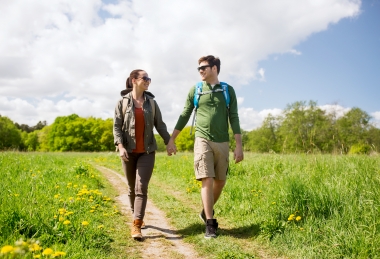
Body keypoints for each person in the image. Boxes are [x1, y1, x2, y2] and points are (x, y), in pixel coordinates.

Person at [166, 55, 244, 239]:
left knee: (220, 181)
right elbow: (185, 114)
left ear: (215, 68)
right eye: (199, 68)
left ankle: (204, 211)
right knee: (206, 178)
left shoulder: (227, 90)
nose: (200, 70)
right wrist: (172, 139)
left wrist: (238, 145)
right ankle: (210, 222)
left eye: (204, 67)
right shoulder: (196, 89)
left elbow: (234, 117)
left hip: (223, 141)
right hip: (202, 139)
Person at [113, 69, 171, 240]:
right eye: (144, 78)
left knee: (141, 187)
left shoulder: (152, 103)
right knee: (132, 188)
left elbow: (160, 125)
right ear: (134, 80)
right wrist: (120, 146)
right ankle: (136, 214)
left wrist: (169, 142)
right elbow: (117, 127)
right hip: (128, 151)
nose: (148, 81)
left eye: (149, 79)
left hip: (147, 151)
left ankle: (136, 224)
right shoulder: (122, 103)